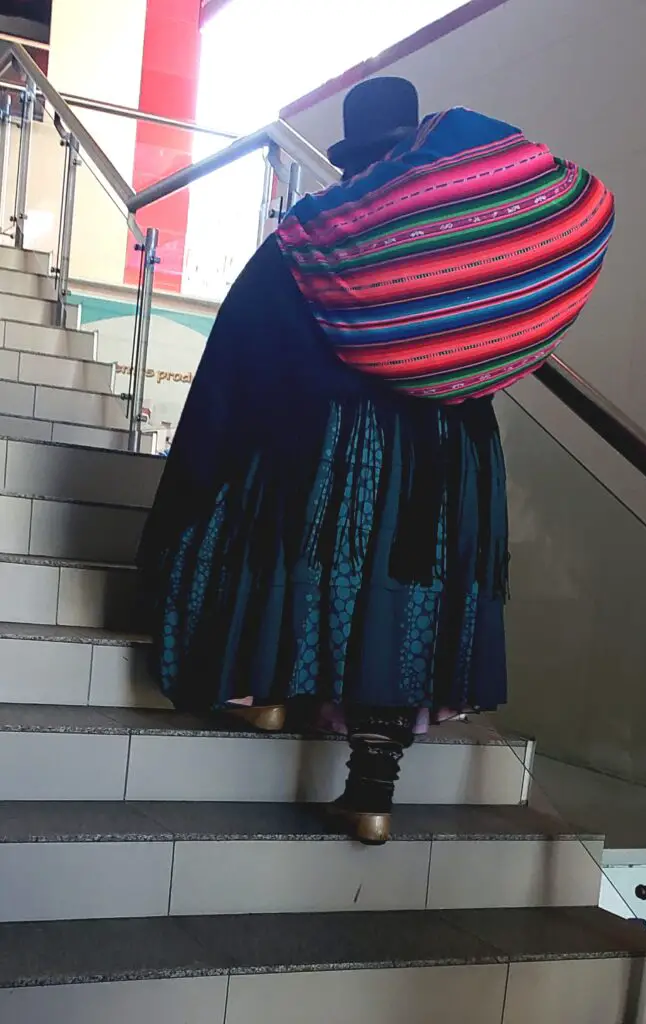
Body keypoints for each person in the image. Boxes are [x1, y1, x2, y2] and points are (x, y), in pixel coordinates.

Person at [139, 77, 614, 844]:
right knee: (407, 597)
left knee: (312, 558)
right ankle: (371, 792)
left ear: (353, 155)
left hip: (337, 440)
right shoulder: (466, 231)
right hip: (451, 451)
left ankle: (271, 689)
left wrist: (204, 470)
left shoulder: (319, 233)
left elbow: (245, 352)